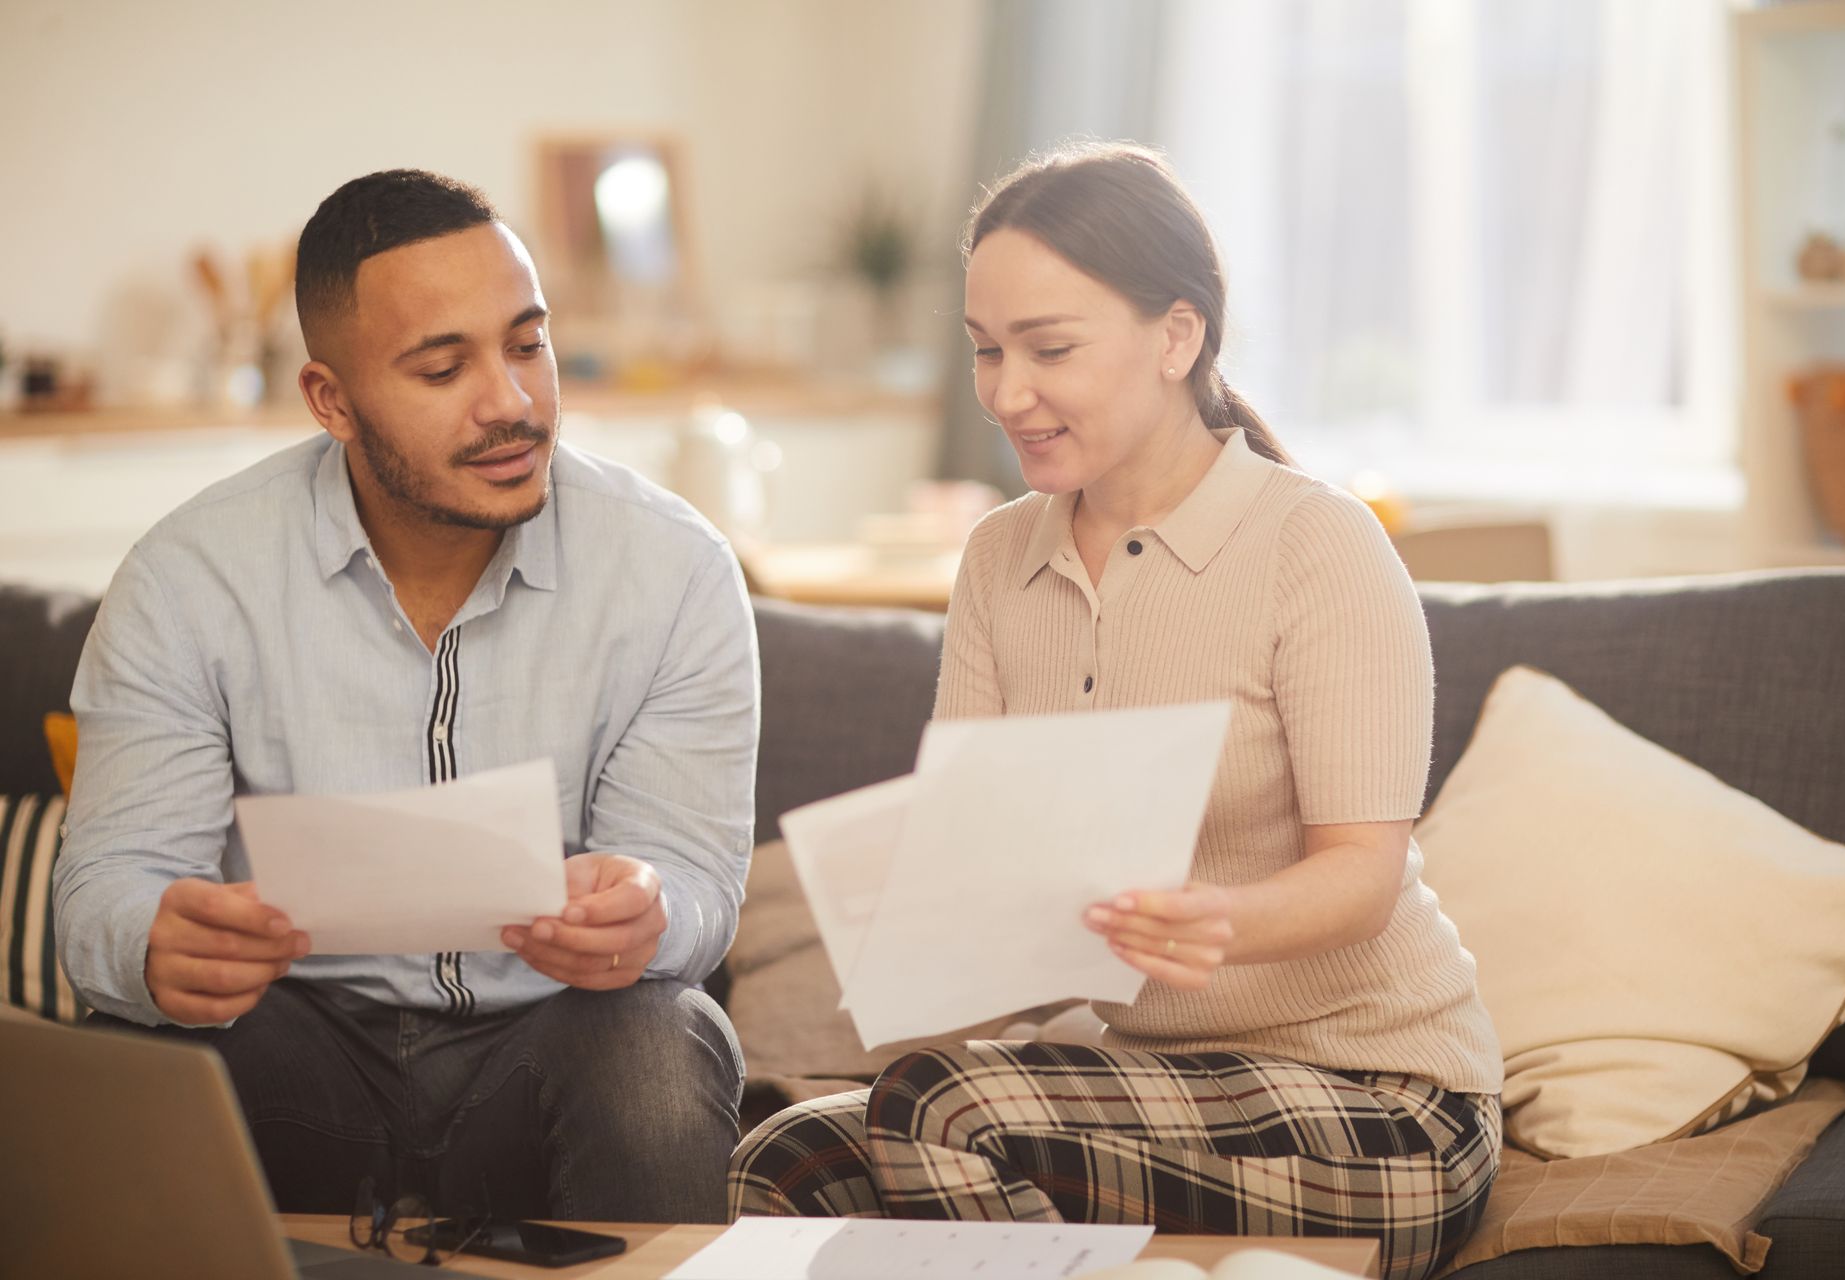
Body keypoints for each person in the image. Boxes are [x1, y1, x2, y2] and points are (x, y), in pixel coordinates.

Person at [728, 144, 1501, 1280]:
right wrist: (924, 934)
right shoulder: (998, 558)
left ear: (1177, 337)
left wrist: (1218, 918)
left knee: (945, 1107)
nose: (1004, 393)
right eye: (987, 350)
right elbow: (985, 863)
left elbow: (1364, 873)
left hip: (1385, 1102)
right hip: (1153, 1089)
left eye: (1050, 348)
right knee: (787, 1159)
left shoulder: (1315, 544)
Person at [53, 169, 757, 1224]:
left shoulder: (677, 569)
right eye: (442, 368)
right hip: (299, 1045)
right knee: (138, 1052)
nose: (513, 402)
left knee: (661, 1038)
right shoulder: (189, 574)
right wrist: (154, 939)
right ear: (330, 399)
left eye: (528, 343)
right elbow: (106, 885)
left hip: (557, 1049)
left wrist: (649, 912)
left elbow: (697, 882)